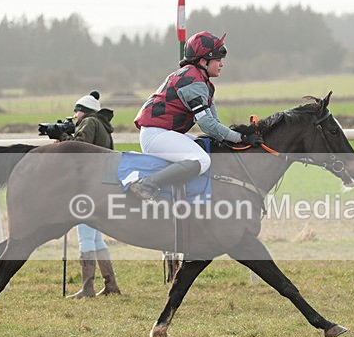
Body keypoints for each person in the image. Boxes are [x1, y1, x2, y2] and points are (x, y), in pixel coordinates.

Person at [130, 31, 263, 200]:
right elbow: (207, 124)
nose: (221, 64)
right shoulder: (192, 80)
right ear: (203, 61)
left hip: (164, 133)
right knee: (202, 160)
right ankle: (147, 186)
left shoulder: (203, 82)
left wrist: (237, 137)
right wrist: (240, 137)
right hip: (156, 135)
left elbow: (215, 123)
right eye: (218, 60)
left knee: (207, 144)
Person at [66, 90, 121, 299]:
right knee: (96, 238)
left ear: (84, 111)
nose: (74, 116)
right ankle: (111, 284)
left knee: (85, 237)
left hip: (89, 187)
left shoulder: (89, 123)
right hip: (102, 185)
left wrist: (63, 138)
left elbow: (78, 148)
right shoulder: (101, 124)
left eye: (76, 112)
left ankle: (87, 288)